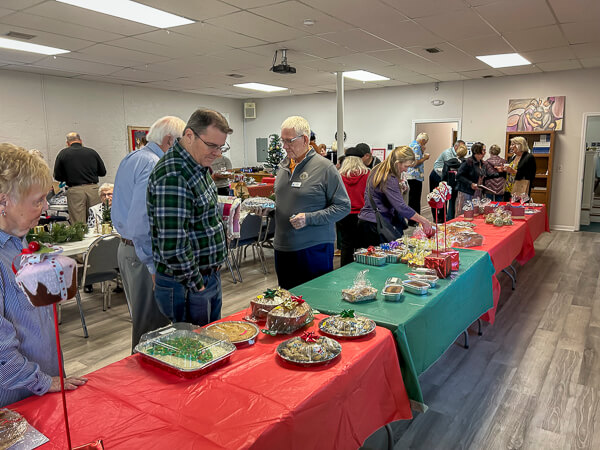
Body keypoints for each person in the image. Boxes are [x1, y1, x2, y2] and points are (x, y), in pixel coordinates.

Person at [0, 144, 87, 407]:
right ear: (4, 201)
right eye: (38, 199)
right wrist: (43, 381)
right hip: (15, 401)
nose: (46, 206)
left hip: (37, 388)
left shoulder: (19, 243)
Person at [147, 109, 232, 326]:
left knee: (211, 345)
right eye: (212, 145)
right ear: (189, 135)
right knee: (193, 353)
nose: (217, 153)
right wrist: (197, 284)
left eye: (221, 147)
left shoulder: (197, 167)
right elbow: (174, 245)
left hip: (204, 277)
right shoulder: (174, 175)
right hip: (187, 284)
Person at [113, 116, 185, 349]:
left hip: (128, 249)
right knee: (152, 327)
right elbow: (141, 222)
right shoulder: (155, 163)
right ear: (169, 140)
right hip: (144, 253)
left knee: (144, 320)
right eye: (183, 143)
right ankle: (146, 381)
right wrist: (154, 265)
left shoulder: (133, 157)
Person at [274, 116, 350, 289]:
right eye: (283, 141)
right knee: (288, 303)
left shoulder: (325, 168)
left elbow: (343, 207)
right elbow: (285, 202)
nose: (285, 146)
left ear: (305, 139)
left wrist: (309, 218)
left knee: (314, 303)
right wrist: (270, 211)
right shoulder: (283, 166)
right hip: (283, 248)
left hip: (313, 249)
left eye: (289, 141)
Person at [358, 146, 433, 246]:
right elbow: (401, 207)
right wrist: (424, 221)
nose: (406, 170)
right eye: (406, 166)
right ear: (397, 163)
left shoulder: (378, 169)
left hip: (367, 221)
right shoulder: (389, 177)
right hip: (377, 224)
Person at [53, 132, 106, 225]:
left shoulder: (63, 154)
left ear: (67, 143)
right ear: (81, 141)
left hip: (75, 190)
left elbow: (57, 176)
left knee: (78, 224)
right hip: (93, 189)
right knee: (96, 220)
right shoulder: (92, 152)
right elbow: (103, 172)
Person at [337, 147, 370, 266]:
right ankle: (363, 272)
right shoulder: (368, 174)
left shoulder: (339, 176)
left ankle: (345, 271)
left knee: (346, 245)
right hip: (363, 215)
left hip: (344, 214)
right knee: (364, 246)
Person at [456, 142, 504, 213]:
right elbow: (459, 176)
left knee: (475, 212)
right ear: (477, 151)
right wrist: (470, 183)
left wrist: (500, 172)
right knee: (465, 213)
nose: (485, 152)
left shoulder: (482, 163)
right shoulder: (468, 161)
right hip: (467, 191)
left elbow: (487, 175)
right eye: (483, 150)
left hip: (477, 192)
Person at [406, 132, 430, 225]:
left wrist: (423, 152)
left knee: (414, 199)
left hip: (415, 177)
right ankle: (413, 221)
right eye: (425, 142)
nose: (425, 144)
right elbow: (414, 163)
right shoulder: (416, 147)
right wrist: (425, 158)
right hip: (414, 177)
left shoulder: (413, 145)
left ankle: (415, 220)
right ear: (423, 140)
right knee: (414, 200)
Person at [504, 136, 537, 201]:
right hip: (509, 188)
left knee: (518, 209)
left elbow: (531, 174)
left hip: (520, 188)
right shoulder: (513, 157)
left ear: (520, 145)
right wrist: (503, 170)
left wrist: (515, 172)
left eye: (513, 144)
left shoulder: (529, 157)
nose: (510, 147)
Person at [442, 144, 468, 220]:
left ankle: (449, 219)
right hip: (462, 187)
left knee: (451, 203)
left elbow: (444, 176)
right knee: (462, 204)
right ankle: (460, 219)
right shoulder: (467, 163)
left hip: (451, 185)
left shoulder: (448, 162)